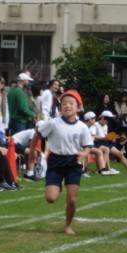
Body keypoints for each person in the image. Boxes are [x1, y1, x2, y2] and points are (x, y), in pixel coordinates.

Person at [36, 90, 93, 235]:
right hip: (56, 161)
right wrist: (32, 152)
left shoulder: (82, 126)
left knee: (72, 200)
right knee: (50, 198)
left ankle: (68, 225)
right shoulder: (53, 123)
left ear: (78, 107)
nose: (67, 106)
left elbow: (88, 145)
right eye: (64, 103)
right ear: (60, 107)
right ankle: (59, 183)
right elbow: (38, 133)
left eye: (71, 103)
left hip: (74, 162)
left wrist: (84, 153)